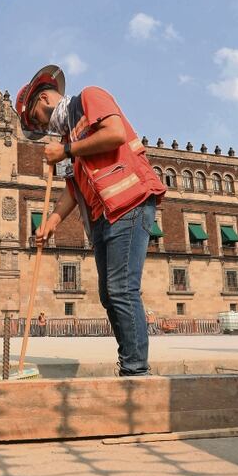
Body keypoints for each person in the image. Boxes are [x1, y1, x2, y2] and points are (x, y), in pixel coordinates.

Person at [17, 64, 167, 376]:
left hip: (130, 202)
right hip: (103, 216)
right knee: (109, 294)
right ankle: (131, 364)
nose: (41, 128)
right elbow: (73, 189)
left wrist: (68, 149)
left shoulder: (89, 98)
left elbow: (114, 135)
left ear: (43, 98)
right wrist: (51, 223)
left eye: (36, 120)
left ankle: (136, 371)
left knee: (122, 288)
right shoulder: (66, 137)